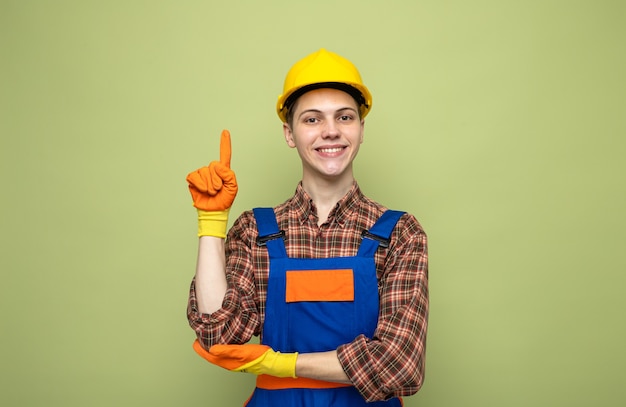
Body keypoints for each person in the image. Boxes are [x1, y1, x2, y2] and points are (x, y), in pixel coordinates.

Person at [185, 48, 429, 406]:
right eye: (312, 120)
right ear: (289, 133)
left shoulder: (400, 233)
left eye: (344, 117)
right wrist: (211, 223)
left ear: (361, 130)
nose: (331, 132)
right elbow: (218, 334)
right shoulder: (256, 231)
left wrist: (282, 365)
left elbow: (400, 364)